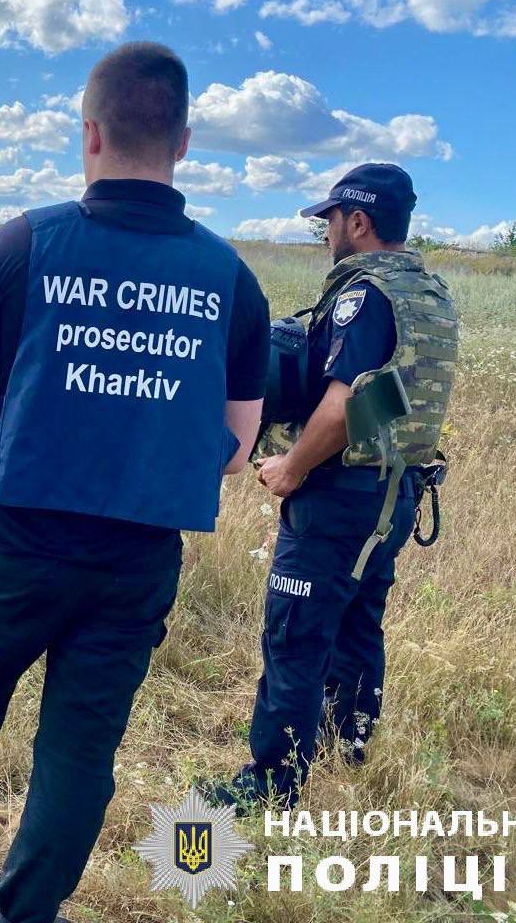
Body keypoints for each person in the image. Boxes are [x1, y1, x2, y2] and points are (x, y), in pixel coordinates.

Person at [0, 41, 270, 923]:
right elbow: (231, 449)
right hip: (134, 560)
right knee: (78, 751)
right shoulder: (232, 281)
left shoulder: (23, 244)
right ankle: (26, 913)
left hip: (13, 545)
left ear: (88, 133)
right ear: (183, 143)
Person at [207, 163, 459, 813]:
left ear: (357, 220)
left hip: (342, 497)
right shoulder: (425, 292)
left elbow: (344, 399)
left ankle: (271, 783)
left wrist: (291, 466)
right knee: (356, 623)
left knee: (295, 634)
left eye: (330, 220)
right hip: (395, 492)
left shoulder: (364, 294)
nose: (325, 234)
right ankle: (347, 747)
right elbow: (392, 396)